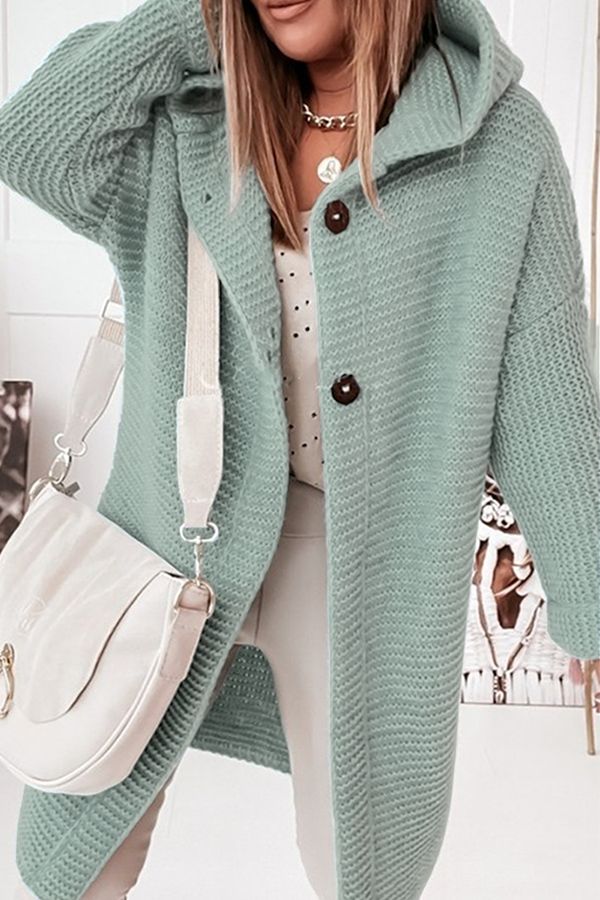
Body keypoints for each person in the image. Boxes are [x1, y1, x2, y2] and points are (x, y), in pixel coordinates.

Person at [1, 1, 598, 899]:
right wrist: (202, 19)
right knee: (81, 838)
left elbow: (549, 395)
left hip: (357, 573)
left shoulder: (499, 146)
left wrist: (592, 604)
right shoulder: (192, 120)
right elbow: (31, 142)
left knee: (360, 864)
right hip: (167, 544)